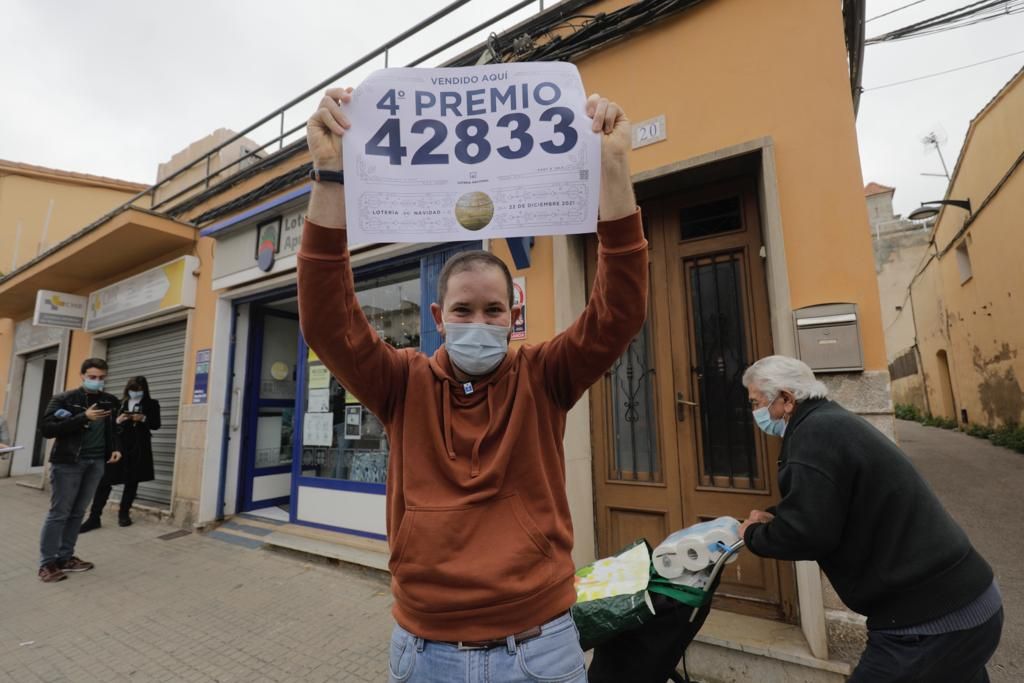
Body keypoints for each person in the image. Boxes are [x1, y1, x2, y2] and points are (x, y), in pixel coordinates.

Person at [299, 87, 646, 682]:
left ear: (514, 317)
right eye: (463, 311)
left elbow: (617, 312)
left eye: (493, 311)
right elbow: (329, 321)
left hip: (540, 647)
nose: (479, 323)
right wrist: (330, 175)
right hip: (424, 651)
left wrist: (613, 167)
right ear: (438, 320)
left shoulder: (545, 375)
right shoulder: (400, 383)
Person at [739, 355, 1003, 683]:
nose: (755, 414)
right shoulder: (829, 421)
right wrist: (777, 518)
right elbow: (830, 502)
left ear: (787, 399)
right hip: (970, 601)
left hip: (929, 623)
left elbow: (808, 533)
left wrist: (752, 534)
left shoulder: (812, 436)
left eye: (756, 403)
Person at [37, 358, 122, 582]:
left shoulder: (110, 401)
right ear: (82, 375)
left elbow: (113, 429)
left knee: (77, 512)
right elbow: (47, 429)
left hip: (95, 463)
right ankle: (47, 564)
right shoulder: (64, 399)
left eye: (101, 377)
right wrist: (82, 417)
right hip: (68, 462)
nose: (97, 381)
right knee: (59, 513)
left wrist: (115, 448)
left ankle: (66, 557)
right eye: (92, 377)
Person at [81, 376, 160, 531]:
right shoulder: (119, 403)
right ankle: (94, 517)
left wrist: (143, 418)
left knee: (132, 481)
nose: (135, 393)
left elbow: (156, 424)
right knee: (106, 480)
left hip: (139, 447)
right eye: (132, 390)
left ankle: (124, 514)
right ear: (127, 390)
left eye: (138, 390)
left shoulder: (152, 404)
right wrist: (118, 420)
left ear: (144, 390)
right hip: (119, 446)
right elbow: (109, 424)